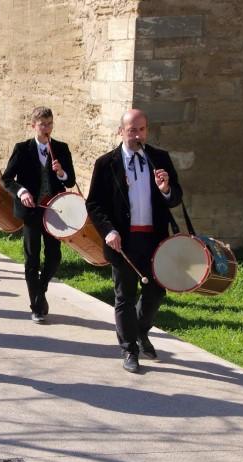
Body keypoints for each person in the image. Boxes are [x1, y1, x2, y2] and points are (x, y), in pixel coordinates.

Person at [86, 109, 183, 373]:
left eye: (141, 129)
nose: (137, 135)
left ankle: (139, 330)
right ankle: (129, 349)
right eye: (132, 130)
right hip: (122, 242)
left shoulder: (159, 158)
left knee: (156, 291)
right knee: (125, 296)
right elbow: (93, 204)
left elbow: (175, 199)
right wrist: (108, 231)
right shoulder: (106, 163)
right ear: (121, 131)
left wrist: (166, 189)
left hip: (154, 240)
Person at [1, 106, 76, 324]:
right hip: (31, 211)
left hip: (54, 211)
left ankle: (40, 291)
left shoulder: (61, 148)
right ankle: (36, 306)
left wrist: (61, 172)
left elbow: (69, 181)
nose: (47, 128)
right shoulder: (22, 148)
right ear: (33, 126)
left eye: (50, 123)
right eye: (43, 124)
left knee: (54, 257)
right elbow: (7, 179)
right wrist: (22, 191)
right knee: (32, 257)